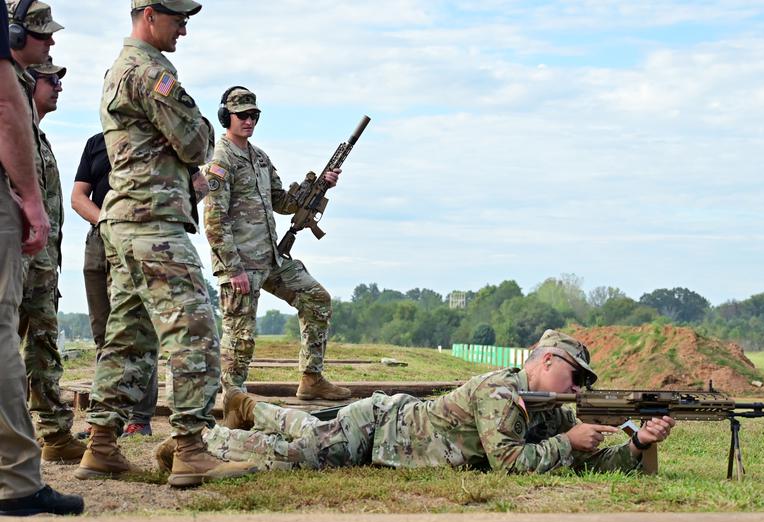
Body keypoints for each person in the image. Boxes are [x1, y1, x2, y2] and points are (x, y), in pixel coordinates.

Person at [75, 0, 255, 488]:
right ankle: (191, 448)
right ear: (149, 15)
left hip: (124, 223)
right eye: (178, 20)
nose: (184, 30)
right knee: (195, 328)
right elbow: (198, 143)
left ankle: (102, 445)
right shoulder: (149, 72)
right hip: (154, 224)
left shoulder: (118, 68)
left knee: (127, 335)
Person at [156, 330, 676, 475]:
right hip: (382, 427)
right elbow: (511, 464)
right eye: (573, 373)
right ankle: (204, 439)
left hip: (389, 438)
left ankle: (248, 407)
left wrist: (635, 445)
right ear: (543, 361)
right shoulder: (501, 390)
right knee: (306, 452)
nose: (577, 386)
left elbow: (590, 458)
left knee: (308, 431)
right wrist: (566, 442)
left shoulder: (553, 406)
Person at [202, 87, 350, 401]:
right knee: (240, 339)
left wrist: (319, 186)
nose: (249, 120)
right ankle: (234, 400)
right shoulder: (220, 159)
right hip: (239, 264)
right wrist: (232, 268)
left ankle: (311, 378)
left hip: (271, 260)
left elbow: (281, 202)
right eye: (242, 115)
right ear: (225, 116)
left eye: (254, 115)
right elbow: (214, 220)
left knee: (316, 299)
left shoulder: (259, 158)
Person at [0, 0, 82, 515]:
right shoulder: (12, 87)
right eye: (41, 34)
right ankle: (17, 481)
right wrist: (28, 198)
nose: (50, 42)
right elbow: (6, 108)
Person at [19, 56, 88, 463]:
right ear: (29, 84)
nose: (58, 86)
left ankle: (54, 434)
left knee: (43, 347)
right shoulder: (12, 131)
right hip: (18, 263)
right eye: (51, 80)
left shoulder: (37, 136)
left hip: (41, 269)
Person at [71, 131, 159, 438]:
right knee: (103, 334)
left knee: (137, 331)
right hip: (98, 241)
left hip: (138, 243)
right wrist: (106, 222)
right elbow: (78, 197)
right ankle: (104, 419)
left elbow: (196, 184)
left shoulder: (159, 135)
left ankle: (139, 418)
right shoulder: (96, 142)